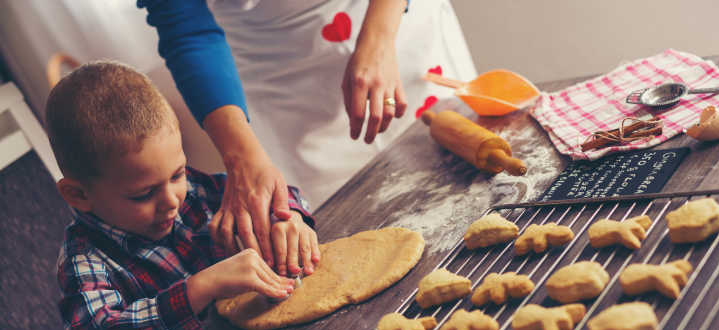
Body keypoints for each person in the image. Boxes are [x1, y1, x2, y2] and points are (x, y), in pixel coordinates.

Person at [139, 0, 477, 269]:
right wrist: (240, 156)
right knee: (343, 231)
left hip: (396, 28)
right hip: (276, 71)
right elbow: (185, 26)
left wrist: (379, 43)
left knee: (463, 182)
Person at [47, 61, 319, 330]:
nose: (172, 200)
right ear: (79, 194)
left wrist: (288, 218)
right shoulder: (84, 259)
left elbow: (273, 195)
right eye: (143, 194)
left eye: (177, 174)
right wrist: (200, 287)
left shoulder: (194, 191)